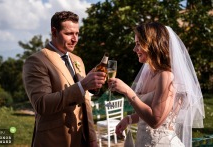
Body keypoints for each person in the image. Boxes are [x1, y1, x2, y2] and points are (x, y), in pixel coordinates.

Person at [108, 22, 205, 147]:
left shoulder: (167, 76)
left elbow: (155, 120)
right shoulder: (147, 73)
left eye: (138, 44)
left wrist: (127, 91)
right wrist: (129, 119)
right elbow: (146, 111)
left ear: (152, 45)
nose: (134, 49)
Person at [22, 11, 106, 147]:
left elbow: (86, 103)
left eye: (77, 34)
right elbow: (42, 104)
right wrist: (82, 86)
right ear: (54, 32)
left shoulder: (77, 59)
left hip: (82, 139)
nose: (75, 39)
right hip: (54, 140)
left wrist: (92, 138)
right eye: (69, 34)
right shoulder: (36, 61)